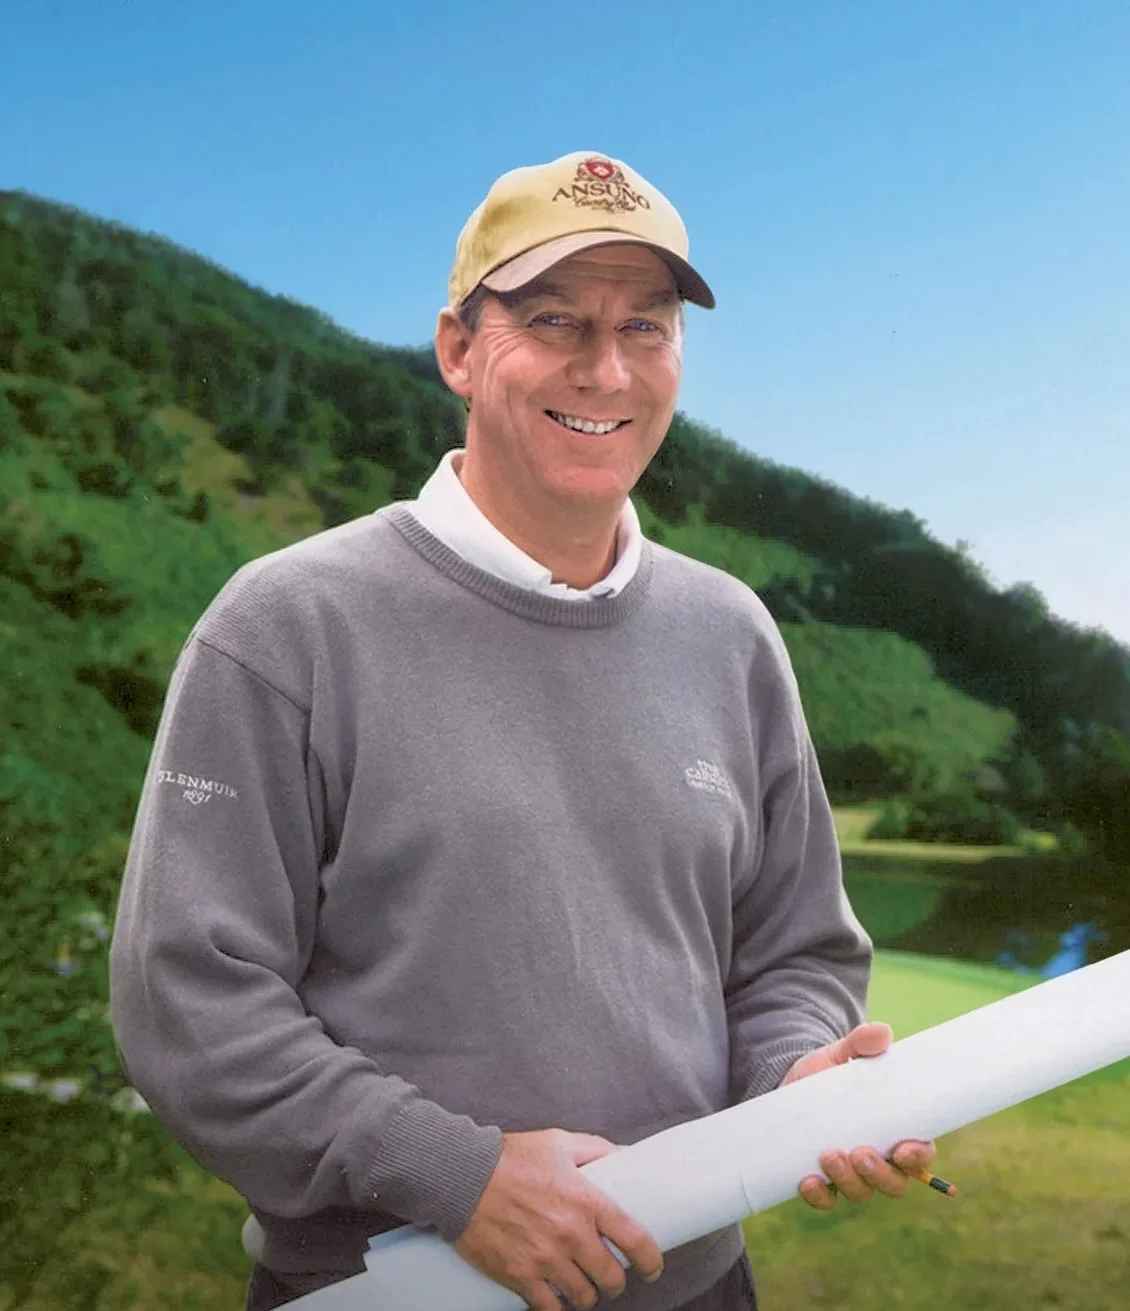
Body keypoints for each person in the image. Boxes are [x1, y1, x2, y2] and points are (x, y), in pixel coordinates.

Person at [109, 150, 934, 1311]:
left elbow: (790, 953)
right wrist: (458, 1177)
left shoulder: (728, 633)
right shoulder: (286, 626)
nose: (605, 368)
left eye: (644, 327)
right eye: (554, 320)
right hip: (385, 1297)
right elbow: (187, 998)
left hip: (694, 1287)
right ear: (457, 348)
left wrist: (794, 1079)